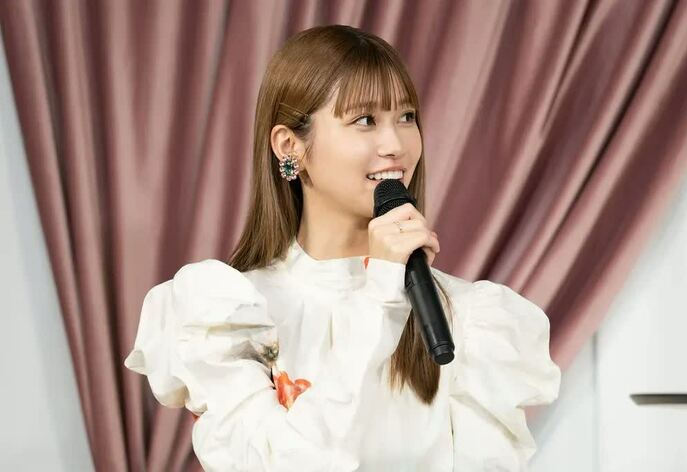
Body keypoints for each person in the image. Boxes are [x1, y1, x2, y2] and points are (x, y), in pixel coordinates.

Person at [123, 24, 561, 471]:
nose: (396, 145)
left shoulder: (468, 318)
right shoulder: (227, 315)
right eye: (365, 120)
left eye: (406, 117)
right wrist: (380, 297)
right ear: (290, 146)